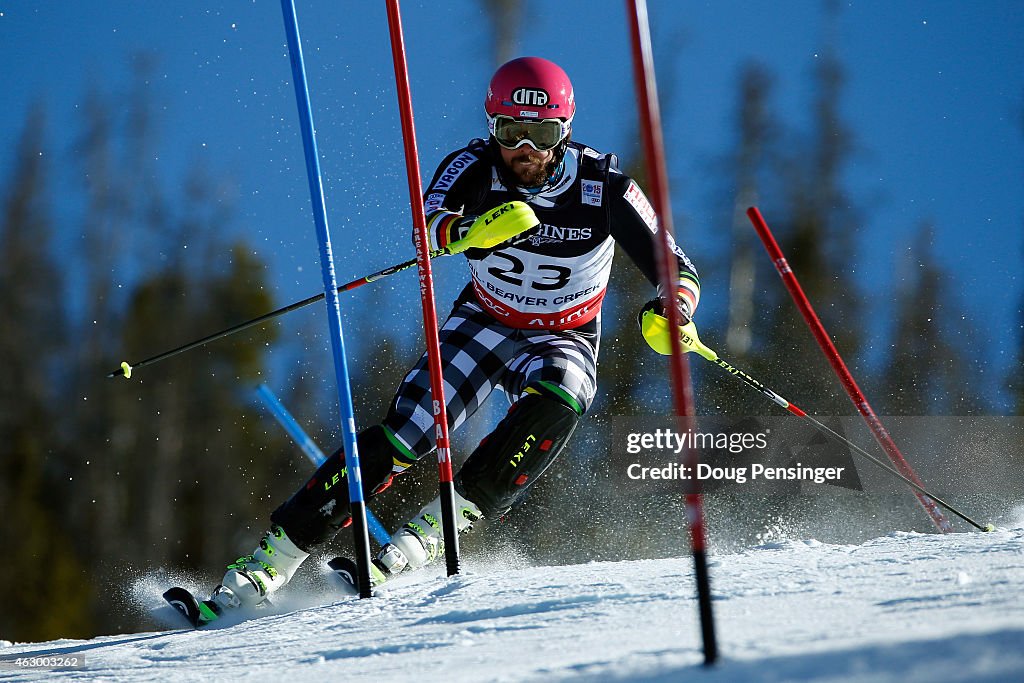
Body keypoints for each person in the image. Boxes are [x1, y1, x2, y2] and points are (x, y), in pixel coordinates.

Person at [204, 56, 701, 614]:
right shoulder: (472, 165)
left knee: (564, 394)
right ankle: (274, 559)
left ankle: (431, 535)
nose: (526, 149)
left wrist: (673, 308)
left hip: (564, 333)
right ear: (493, 127)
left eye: (543, 133)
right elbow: (429, 222)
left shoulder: (605, 185)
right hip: (484, 321)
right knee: (408, 430)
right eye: (511, 132)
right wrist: (467, 231)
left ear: (565, 131)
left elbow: (676, 265)